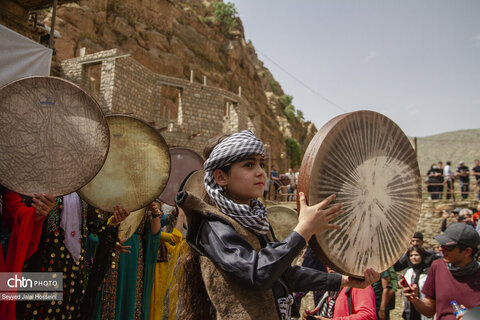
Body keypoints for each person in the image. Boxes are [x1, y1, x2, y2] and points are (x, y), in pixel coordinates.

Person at [177, 130, 380, 320]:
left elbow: (282, 274)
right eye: (249, 165)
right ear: (221, 177)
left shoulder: (256, 222)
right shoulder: (213, 226)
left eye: (261, 164)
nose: (260, 173)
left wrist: (343, 281)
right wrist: (303, 230)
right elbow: (256, 274)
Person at [1, 189, 128, 320]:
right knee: (35, 311)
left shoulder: (81, 191)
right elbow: (16, 213)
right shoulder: (38, 181)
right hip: (41, 267)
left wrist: (114, 220)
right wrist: (36, 214)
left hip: (71, 273)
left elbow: (95, 225)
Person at [403, 223, 480, 320]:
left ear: (467, 252)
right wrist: (415, 300)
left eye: (448, 247)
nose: (441, 249)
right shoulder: (438, 267)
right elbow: (429, 310)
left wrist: (473, 316)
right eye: (441, 245)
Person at [302, 267, 376, 320]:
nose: (330, 266)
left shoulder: (360, 285)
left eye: (334, 261)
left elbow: (368, 317)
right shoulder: (330, 289)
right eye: (328, 261)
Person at [401, 246, 432, 320]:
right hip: (410, 307)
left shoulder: (429, 272)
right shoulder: (408, 272)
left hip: (423, 305)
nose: (413, 257)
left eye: (416, 255)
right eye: (411, 255)